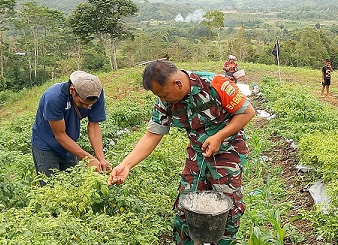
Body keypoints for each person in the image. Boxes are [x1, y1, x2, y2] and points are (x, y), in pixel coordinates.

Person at [108, 60, 256, 245]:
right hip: (198, 153)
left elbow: (247, 112)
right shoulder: (165, 100)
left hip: (229, 152)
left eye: (165, 94)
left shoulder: (215, 84)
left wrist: (219, 136)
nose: (164, 99)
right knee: (186, 207)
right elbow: (152, 134)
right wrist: (125, 165)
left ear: (177, 83)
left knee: (227, 209)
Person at [31, 71, 110, 178]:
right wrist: (89, 158)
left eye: (90, 105)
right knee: (50, 186)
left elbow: (94, 126)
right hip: (46, 145)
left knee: (73, 181)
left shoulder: (96, 93)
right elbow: (60, 135)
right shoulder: (54, 98)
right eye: (82, 103)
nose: (87, 107)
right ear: (72, 90)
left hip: (70, 144)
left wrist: (101, 159)